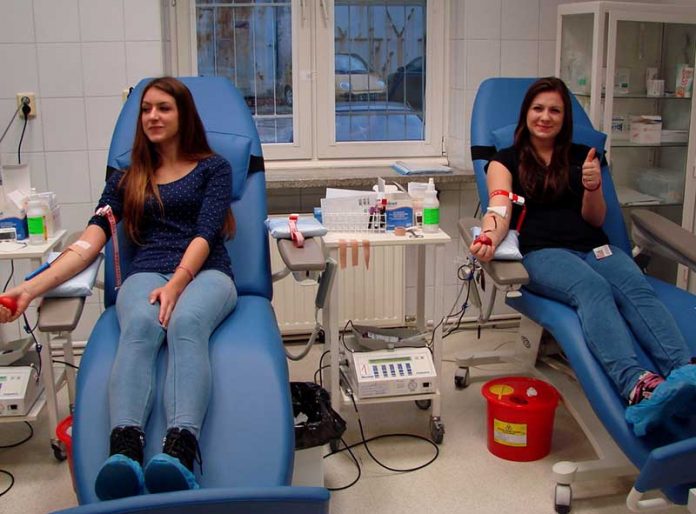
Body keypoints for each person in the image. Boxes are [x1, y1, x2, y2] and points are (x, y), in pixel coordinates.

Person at [0, 77, 238, 499]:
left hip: (207, 272)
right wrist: (29, 289)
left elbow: (206, 232)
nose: (152, 116)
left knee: (186, 322)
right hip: (147, 272)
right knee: (140, 327)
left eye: (163, 108)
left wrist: (178, 283)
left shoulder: (213, 169)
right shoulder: (127, 180)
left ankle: (179, 452)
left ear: (183, 115)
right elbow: (87, 245)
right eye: (146, 109)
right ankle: (124, 451)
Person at [470, 76, 696, 439]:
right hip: (543, 253)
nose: (545, 117)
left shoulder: (584, 157)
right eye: (538, 109)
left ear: (565, 118)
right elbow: (499, 207)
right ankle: (637, 385)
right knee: (592, 289)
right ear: (526, 113)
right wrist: (489, 236)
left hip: (595, 247)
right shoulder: (505, 160)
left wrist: (593, 186)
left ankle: (685, 372)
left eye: (555, 110)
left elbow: (595, 219)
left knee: (635, 286)